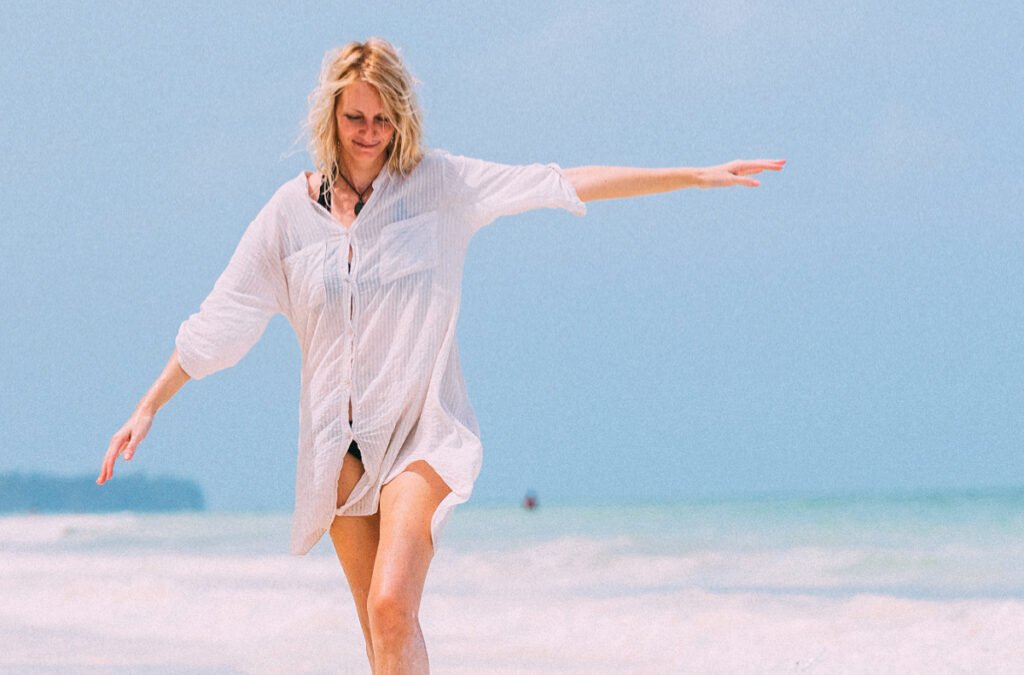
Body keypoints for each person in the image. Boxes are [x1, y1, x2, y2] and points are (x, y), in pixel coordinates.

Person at [97, 37, 784, 673]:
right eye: (355, 117)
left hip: (420, 431)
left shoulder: (441, 186)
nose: (369, 134)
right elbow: (221, 317)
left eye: (383, 119)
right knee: (381, 636)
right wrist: (147, 405)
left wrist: (693, 175)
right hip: (337, 450)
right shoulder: (289, 214)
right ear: (331, 116)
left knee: (392, 605)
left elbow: (559, 181)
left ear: (402, 120)